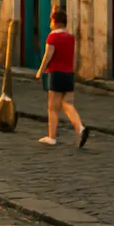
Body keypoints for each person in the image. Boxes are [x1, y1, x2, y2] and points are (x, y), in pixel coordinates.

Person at [35, 10, 89, 148]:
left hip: (56, 73)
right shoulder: (70, 37)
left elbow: (48, 56)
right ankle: (80, 128)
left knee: (53, 107)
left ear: (55, 21)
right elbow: (74, 56)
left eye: (50, 20)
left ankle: (52, 136)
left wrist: (40, 71)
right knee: (68, 103)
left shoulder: (52, 37)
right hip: (68, 74)